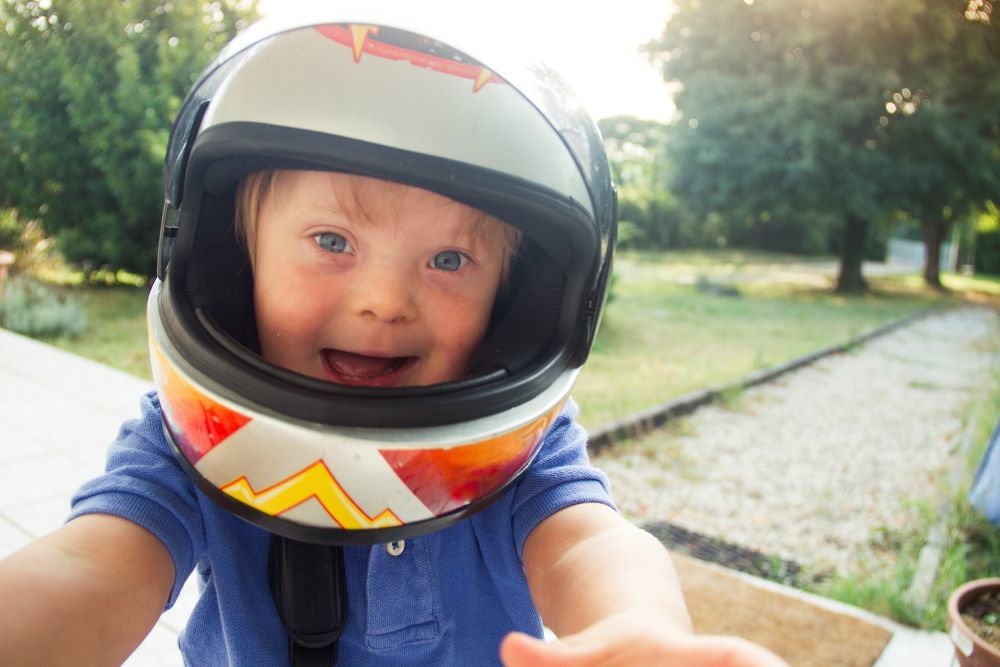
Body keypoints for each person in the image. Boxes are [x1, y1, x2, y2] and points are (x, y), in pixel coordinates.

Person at [0, 9, 788, 667]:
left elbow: (587, 545)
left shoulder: (519, 452)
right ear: (237, 265)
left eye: (449, 259)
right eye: (332, 242)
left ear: (512, 306)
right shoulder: (185, 438)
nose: (384, 302)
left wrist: (638, 627)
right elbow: (92, 564)